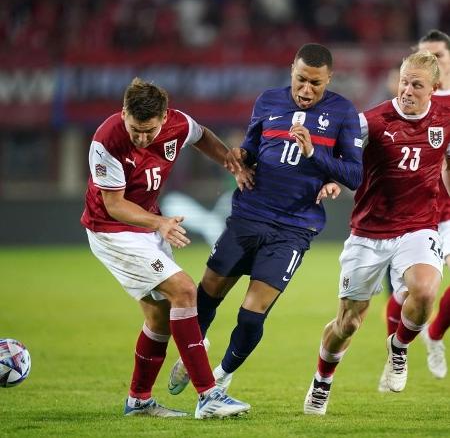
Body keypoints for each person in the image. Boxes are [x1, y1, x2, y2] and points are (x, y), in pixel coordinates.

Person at [166, 43, 363, 396]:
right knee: (207, 293)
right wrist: (240, 159)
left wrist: (314, 154)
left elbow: (354, 174)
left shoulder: (343, 113)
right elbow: (251, 148)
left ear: (329, 79)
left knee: (252, 313)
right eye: (301, 80)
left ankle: (221, 378)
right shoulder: (268, 101)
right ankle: (196, 350)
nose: (306, 90)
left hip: (294, 227)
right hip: (249, 215)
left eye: (316, 84)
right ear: (292, 70)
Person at [80, 77, 252, 419]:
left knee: (159, 319)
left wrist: (230, 164)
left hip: (146, 226)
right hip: (113, 230)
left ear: (164, 117)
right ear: (124, 112)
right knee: (185, 290)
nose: (141, 138)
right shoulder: (106, 140)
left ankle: (139, 401)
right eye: (135, 128)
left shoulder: (178, 124)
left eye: (149, 130)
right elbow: (113, 205)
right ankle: (209, 395)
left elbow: (201, 134)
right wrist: (160, 223)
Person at [303, 50, 450, 416]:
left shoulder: (445, 118)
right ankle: (322, 380)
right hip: (369, 232)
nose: (407, 90)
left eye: (417, 85)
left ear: (435, 88)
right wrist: (332, 180)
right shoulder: (371, 121)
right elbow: (340, 157)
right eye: (404, 81)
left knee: (426, 289)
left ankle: (399, 349)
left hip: (418, 226)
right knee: (347, 323)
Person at [380, 30, 450, 387]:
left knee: (424, 290)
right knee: (408, 292)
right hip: (415, 214)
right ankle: (396, 352)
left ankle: (434, 336)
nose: (432, 59)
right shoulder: (407, 103)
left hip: (446, 210)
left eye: (437, 55)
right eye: (425, 54)